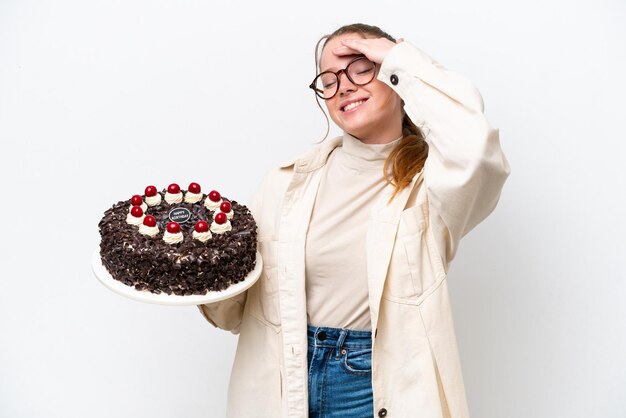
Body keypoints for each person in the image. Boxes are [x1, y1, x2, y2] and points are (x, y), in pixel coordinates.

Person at [198, 22, 510, 418]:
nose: (343, 86)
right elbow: (234, 311)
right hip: (282, 377)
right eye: (328, 79)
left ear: (395, 77)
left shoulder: (432, 188)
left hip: (371, 383)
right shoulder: (284, 183)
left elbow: (478, 150)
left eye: (361, 68)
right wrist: (190, 267)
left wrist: (402, 59)